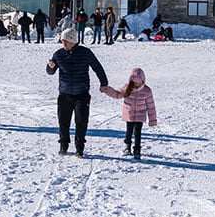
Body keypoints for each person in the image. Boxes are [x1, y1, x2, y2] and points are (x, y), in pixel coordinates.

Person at [46, 26, 109, 157]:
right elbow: (50, 72)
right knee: (63, 122)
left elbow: (97, 67)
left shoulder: (85, 53)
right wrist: (50, 67)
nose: (63, 43)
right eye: (62, 40)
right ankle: (63, 145)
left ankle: (79, 147)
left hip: (82, 94)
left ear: (72, 41)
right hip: (64, 94)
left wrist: (104, 84)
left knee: (81, 122)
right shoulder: (58, 54)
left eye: (65, 41)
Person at [100, 67, 157, 159]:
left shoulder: (147, 91)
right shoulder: (127, 88)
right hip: (129, 114)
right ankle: (127, 146)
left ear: (143, 80)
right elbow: (117, 94)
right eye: (134, 81)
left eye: (139, 81)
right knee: (129, 131)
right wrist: (107, 90)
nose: (136, 83)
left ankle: (137, 150)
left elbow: (151, 106)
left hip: (140, 115)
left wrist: (152, 120)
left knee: (138, 132)